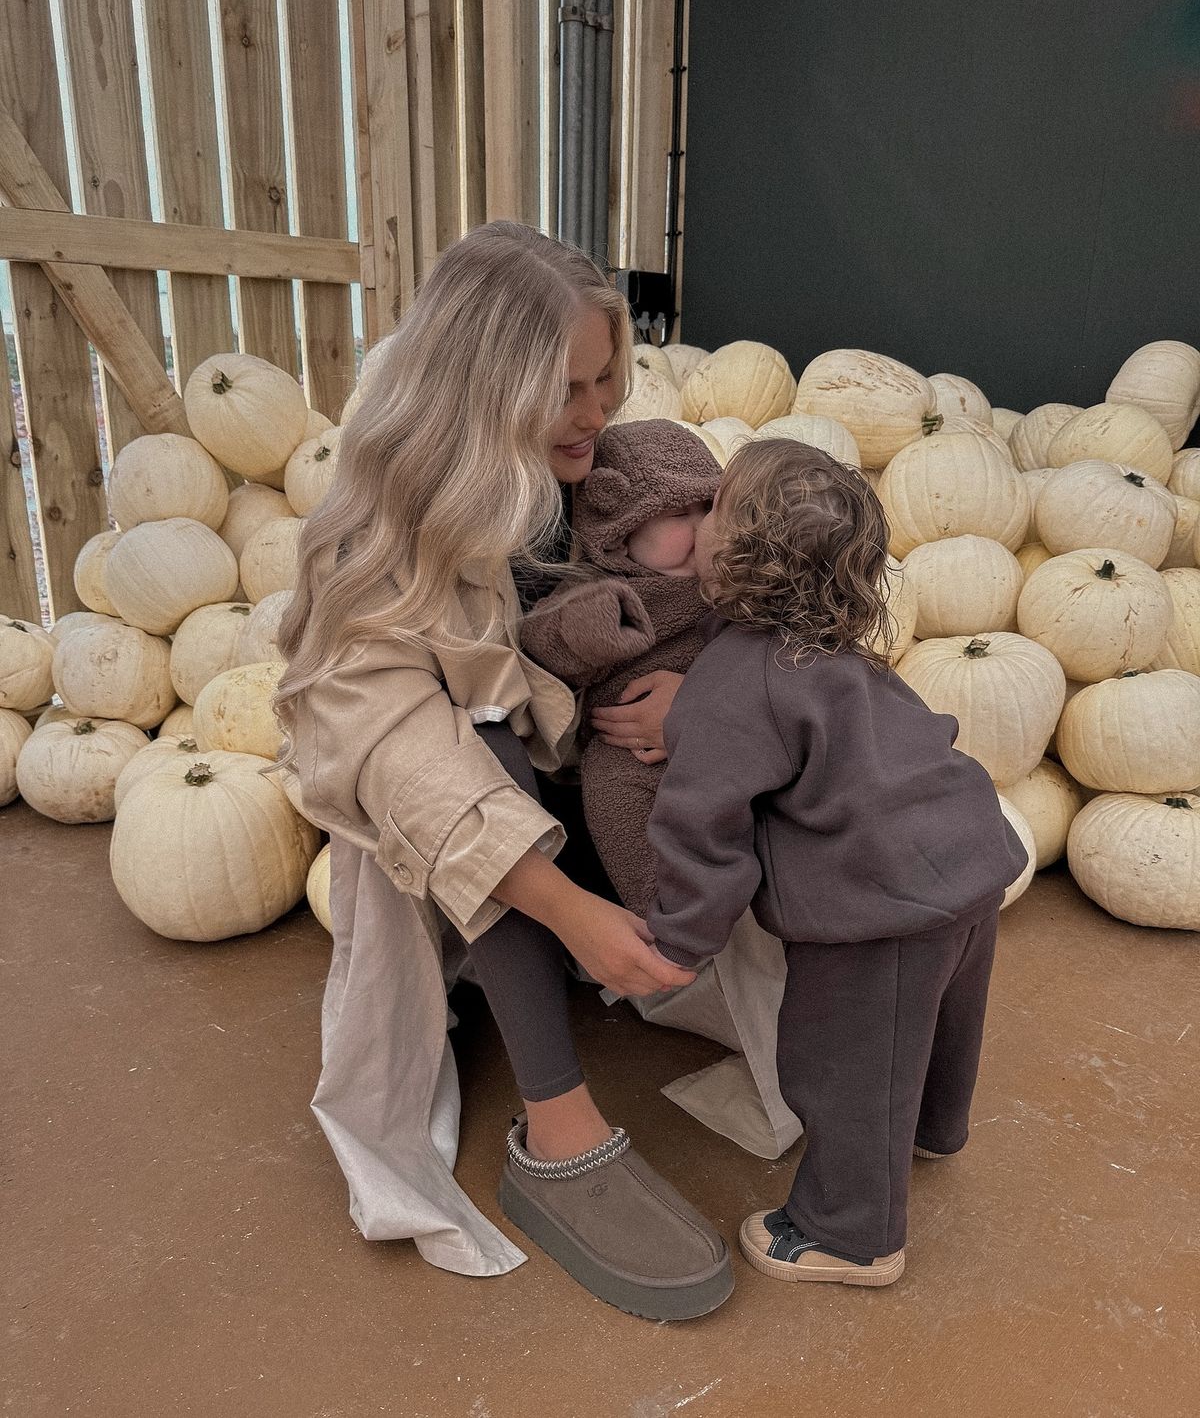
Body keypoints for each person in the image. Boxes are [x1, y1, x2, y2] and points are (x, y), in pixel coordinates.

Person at [272, 221, 733, 1321]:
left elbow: (743, 583)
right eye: (563, 388)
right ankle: (556, 1120)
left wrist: (704, 702)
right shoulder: (377, 534)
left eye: (604, 378)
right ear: (480, 391)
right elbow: (394, 749)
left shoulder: (616, 467)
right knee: (473, 738)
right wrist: (568, 907)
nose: (594, 411)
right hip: (473, 819)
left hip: (600, 779)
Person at [644, 440, 1029, 1288]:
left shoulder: (732, 685)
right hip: (968, 857)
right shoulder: (832, 649)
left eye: (712, 510)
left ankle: (851, 1235)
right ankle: (935, 1127)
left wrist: (678, 941)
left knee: (843, 1065)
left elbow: (702, 826)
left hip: (883, 907)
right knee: (941, 1025)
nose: (696, 518)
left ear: (738, 553)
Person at [520, 417, 721, 917]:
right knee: (614, 795)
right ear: (619, 534)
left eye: (711, 508)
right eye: (679, 513)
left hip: (727, 734)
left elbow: (776, 655)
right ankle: (666, 914)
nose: (703, 528)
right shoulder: (595, 590)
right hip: (628, 751)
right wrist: (590, 627)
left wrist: (706, 705)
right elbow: (542, 647)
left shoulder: (733, 581)